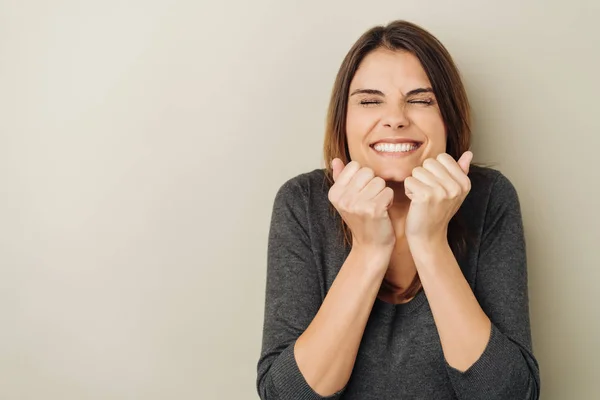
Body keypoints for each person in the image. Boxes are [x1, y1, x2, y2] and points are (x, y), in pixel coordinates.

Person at [256, 20, 540, 400]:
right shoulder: (302, 203)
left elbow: (511, 394)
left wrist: (430, 242)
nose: (395, 118)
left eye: (421, 100)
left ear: (448, 119)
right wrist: (369, 250)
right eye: (370, 101)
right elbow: (285, 395)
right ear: (343, 120)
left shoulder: (490, 198)